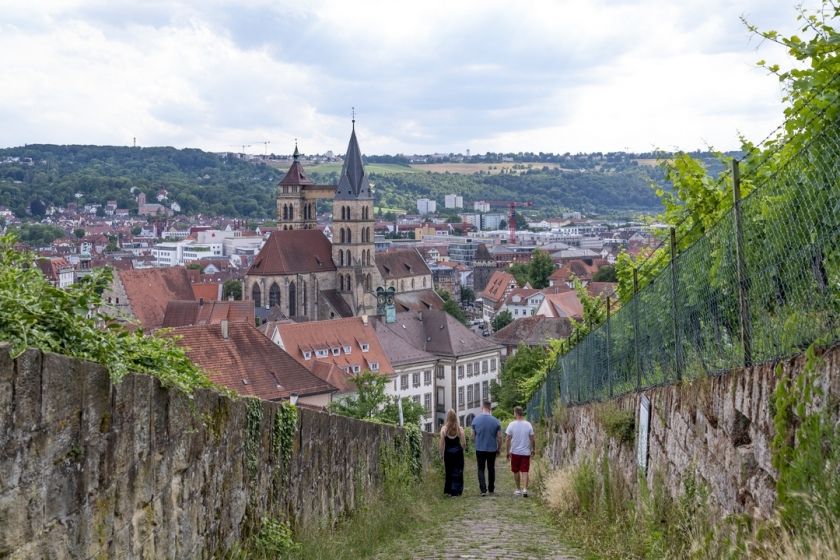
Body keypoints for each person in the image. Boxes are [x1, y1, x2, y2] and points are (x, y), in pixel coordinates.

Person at [471, 400, 502, 496]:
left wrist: (475, 442)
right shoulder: (496, 421)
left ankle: (483, 489)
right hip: (492, 448)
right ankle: (491, 488)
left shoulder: (475, 420)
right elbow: (499, 437)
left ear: (482, 408)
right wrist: (499, 448)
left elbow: (473, 436)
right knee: (491, 468)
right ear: (490, 408)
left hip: (480, 448)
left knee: (481, 468)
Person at [505, 406, 535, 497]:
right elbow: (532, 439)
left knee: (516, 471)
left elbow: (507, 439)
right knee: (525, 471)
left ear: (515, 413)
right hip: (526, 452)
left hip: (515, 452)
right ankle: (525, 489)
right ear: (522, 413)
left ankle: (518, 489)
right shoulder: (528, 424)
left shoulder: (511, 424)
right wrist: (533, 449)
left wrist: (507, 451)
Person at [440, 409, 466, 497]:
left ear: (447, 417)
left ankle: (449, 491)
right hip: (458, 453)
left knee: (449, 471)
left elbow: (442, 444)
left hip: (448, 453)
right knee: (458, 471)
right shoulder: (460, 429)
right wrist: (463, 449)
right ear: (456, 417)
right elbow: (463, 443)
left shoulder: (444, 429)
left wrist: (441, 455)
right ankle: (457, 490)